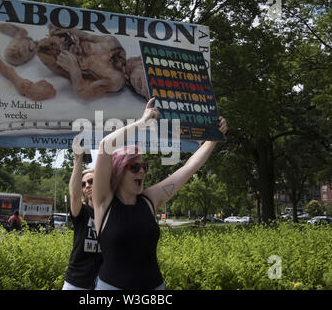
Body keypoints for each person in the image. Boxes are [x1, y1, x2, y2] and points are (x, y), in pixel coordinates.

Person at [92, 97, 228, 290]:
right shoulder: (104, 202)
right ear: (119, 171)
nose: (142, 171)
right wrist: (141, 123)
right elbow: (105, 147)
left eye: (144, 166)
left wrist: (214, 138)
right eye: (134, 167)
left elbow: (189, 167)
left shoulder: (149, 200)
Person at [62, 139, 102, 290]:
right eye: (83, 184)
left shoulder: (110, 211)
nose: (87, 186)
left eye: (91, 181)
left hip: (103, 282)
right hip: (76, 281)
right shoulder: (82, 211)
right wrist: (78, 158)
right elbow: (73, 195)